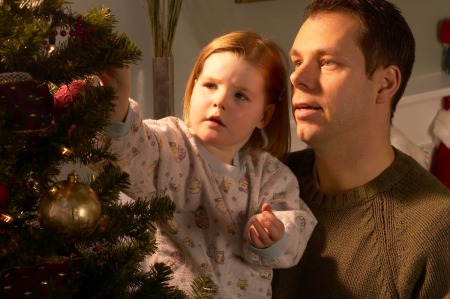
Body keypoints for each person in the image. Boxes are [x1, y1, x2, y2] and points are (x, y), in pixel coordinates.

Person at [100, 30, 316, 298]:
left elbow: (295, 226)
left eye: (240, 95)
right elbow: (131, 149)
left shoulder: (269, 176)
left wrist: (275, 235)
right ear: (193, 88)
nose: (220, 101)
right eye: (210, 85)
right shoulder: (171, 145)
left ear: (264, 115)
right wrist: (117, 97)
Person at [271, 0, 450, 298]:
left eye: (328, 62)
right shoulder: (267, 182)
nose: (297, 78)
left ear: (385, 84)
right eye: (298, 61)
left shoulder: (437, 228)